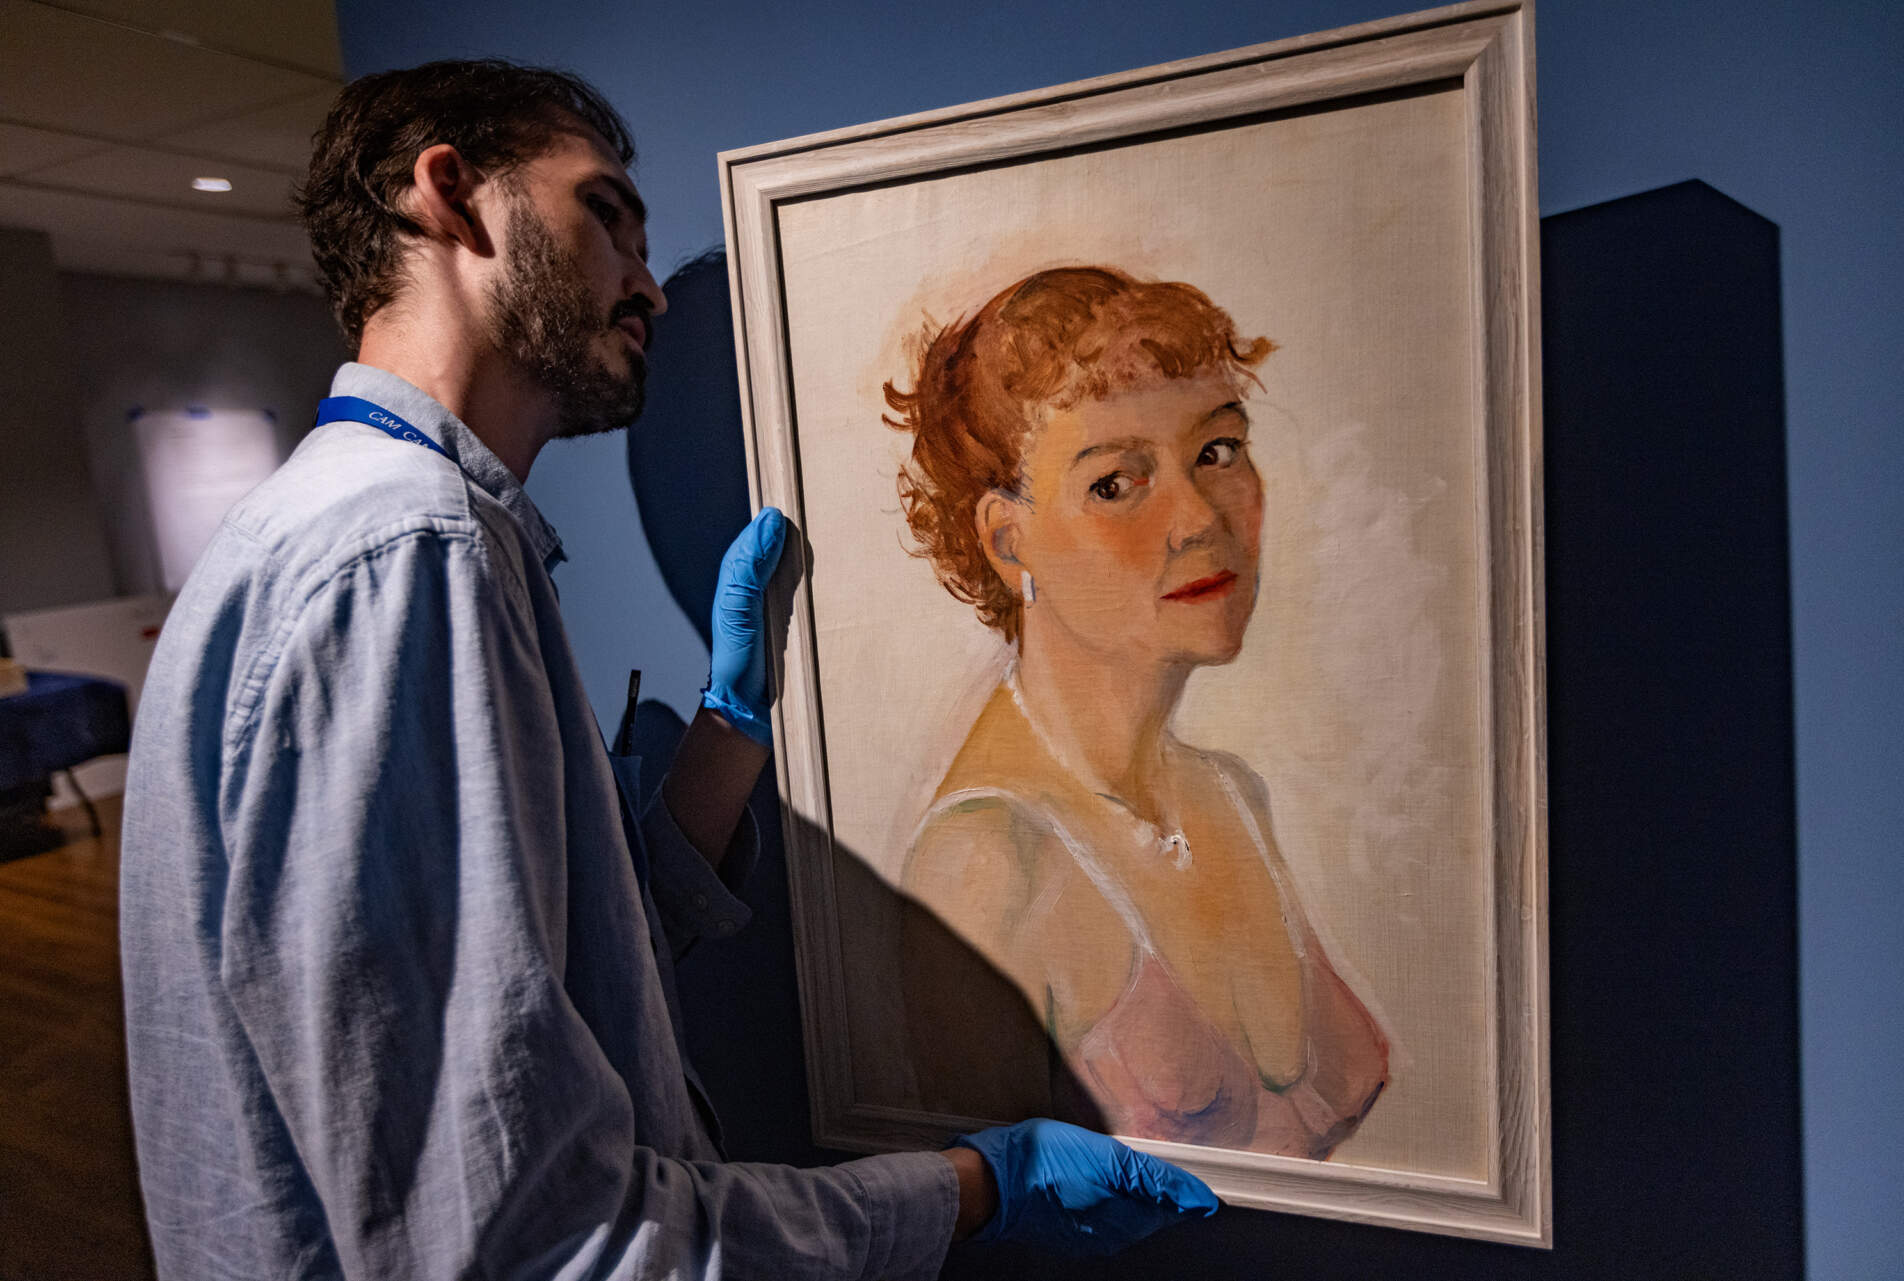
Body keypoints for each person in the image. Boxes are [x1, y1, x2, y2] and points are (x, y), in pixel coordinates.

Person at [118, 63, 1215, 1279]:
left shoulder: (361, 532)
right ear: (451, 198)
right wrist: (964, 1191)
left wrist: (731, 721)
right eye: (603, 214)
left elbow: (547, 968)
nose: (644, 282)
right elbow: (535, 1242)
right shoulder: (405, 555)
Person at [886, 266, 1390, 1156]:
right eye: (1118, 483)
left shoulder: (1229, 795)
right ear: (1009, 542)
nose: (1199, 516)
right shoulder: (988, 867)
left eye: (1218, 451)